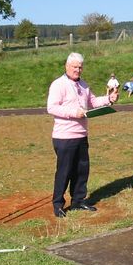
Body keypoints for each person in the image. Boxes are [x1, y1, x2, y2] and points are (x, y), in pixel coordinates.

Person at [47, 52, 119, 217]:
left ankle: (78, 201)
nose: (78, 70)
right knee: (64, 171)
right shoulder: (58, 84)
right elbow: (52, 107)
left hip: (81, 135)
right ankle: (58, 204)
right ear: (67, 66)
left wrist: (109, 99)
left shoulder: (84, 85)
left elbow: (92, 102)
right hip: (64, 136)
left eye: (80, 67)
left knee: (81, 170)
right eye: (74, 67)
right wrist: (74, 112)